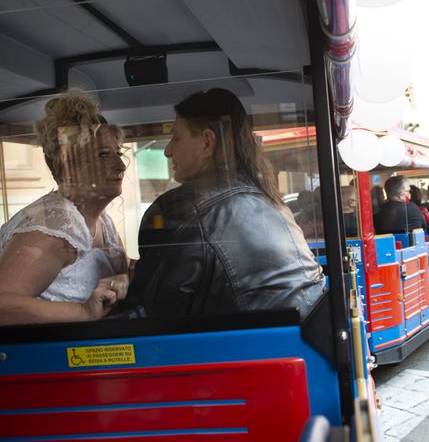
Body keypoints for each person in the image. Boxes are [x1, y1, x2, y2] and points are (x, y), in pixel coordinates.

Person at [128, 89, 325, 319]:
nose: (167, 150)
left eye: (176, 137)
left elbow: (156, 313)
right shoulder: (273, 203)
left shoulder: (182, 210)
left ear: (207, 143)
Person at [0, 90, 130, 326]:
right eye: (104, 155)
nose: (120, 165)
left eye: (118, 154)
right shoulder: (51, 228)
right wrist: (82, 312)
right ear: (65, 167)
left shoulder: (102, 222)